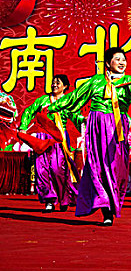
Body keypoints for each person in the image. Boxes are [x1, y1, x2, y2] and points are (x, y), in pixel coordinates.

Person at [47, 48, 131, 225]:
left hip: (117, 129)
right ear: (107, 63)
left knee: (115, 169)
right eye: (117, 59)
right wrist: (51, 107)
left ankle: (112, 205)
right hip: (97, 128)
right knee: (98, 167)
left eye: (124, 59)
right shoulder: (95, 81)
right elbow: (74, 97)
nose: (121, 62)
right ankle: (106, 211)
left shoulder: (129, 81)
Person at [19, 75, 85, 212]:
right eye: (53, 82)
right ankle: (49, 200)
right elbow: (29, 111)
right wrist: (23, 126)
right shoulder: (42, 100)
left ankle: (64, 198)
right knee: (41, 169)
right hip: (42, 139)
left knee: (57, 169)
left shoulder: (68, 101)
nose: (54, 85)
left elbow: (75, 115)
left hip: (58, 139)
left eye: (58, 83)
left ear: (65, 86)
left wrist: (83, 121)